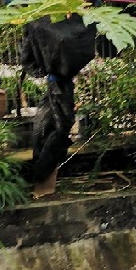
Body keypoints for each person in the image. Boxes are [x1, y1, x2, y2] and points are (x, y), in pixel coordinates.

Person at [20, 14, 97, 198]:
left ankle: (44, 185)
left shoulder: (45, 24)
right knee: (48, 131)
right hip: (57, 85)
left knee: (54, 132)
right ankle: (43, 184)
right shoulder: (43, 24)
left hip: (60, 85)